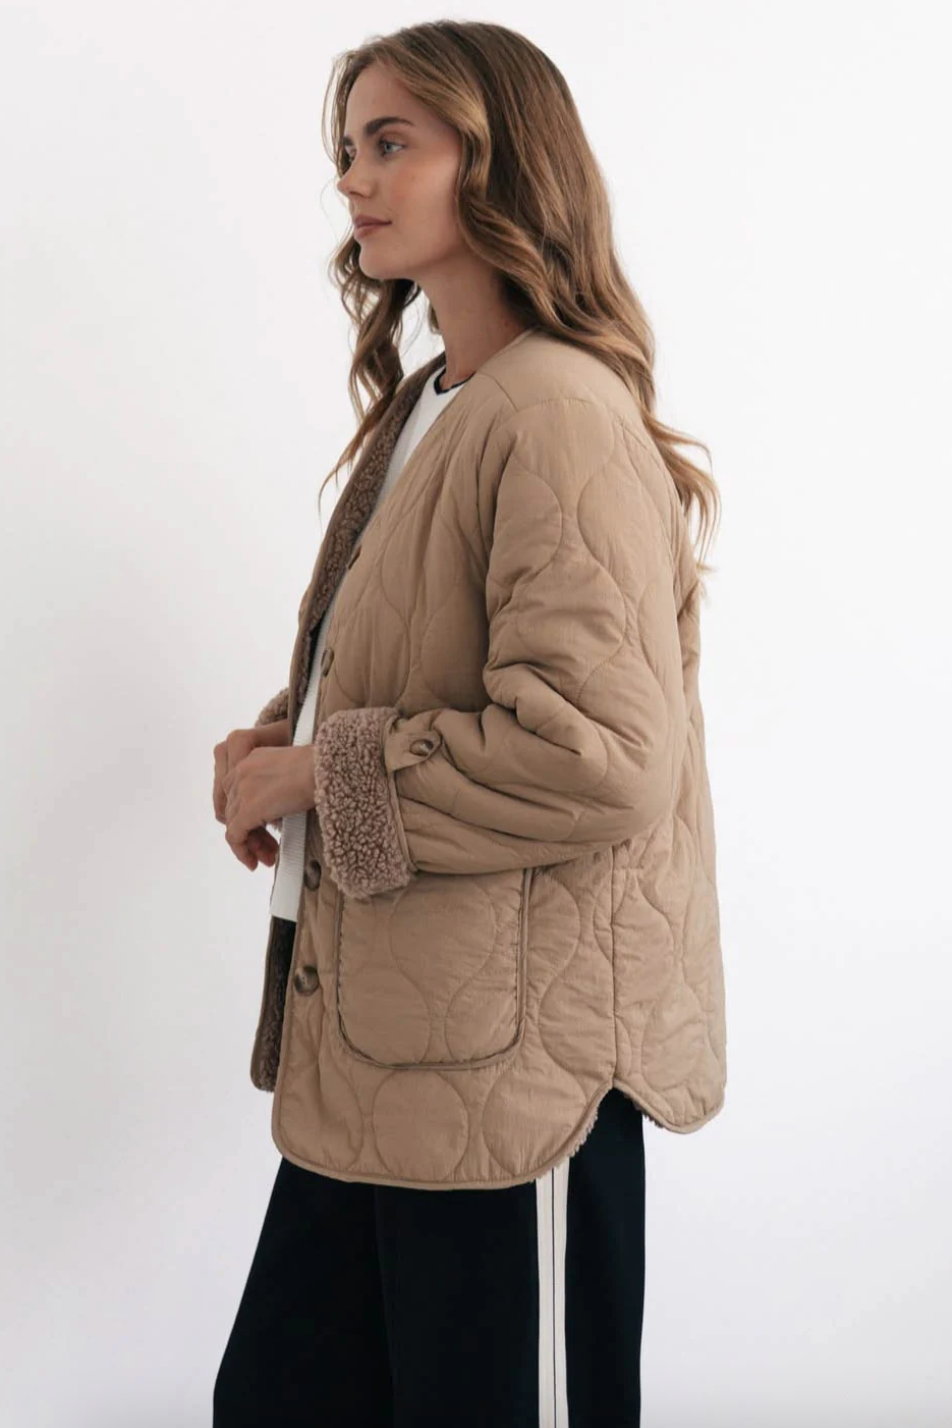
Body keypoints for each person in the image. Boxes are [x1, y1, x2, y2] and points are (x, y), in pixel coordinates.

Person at [212, 20, 726, 1428]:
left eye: (393, 143)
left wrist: (320, 775)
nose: (353, 179)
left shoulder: (556, 412)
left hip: (517, 1081)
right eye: (348, 148)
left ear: (499, 163)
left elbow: (596, 755)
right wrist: (277, 745)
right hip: (397, 1050)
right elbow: (409, 661)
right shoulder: (435, 404)